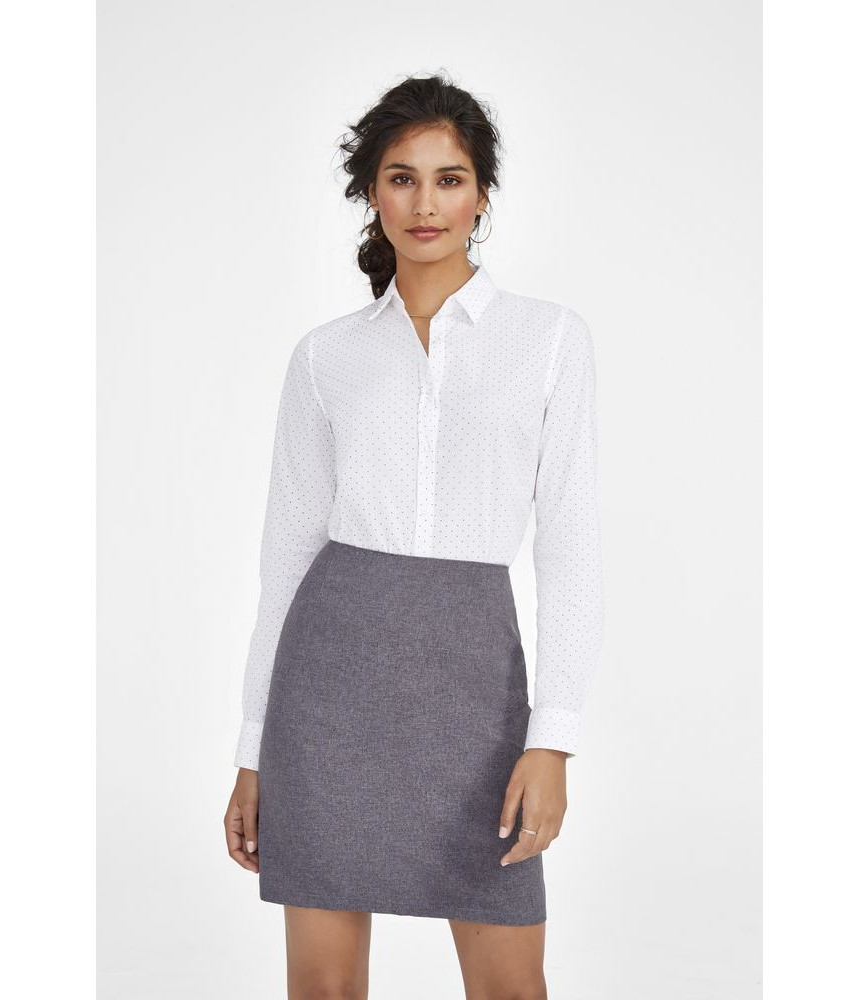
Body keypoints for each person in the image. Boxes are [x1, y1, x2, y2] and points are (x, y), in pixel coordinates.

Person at [223, 72, 604, 999]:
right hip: (327, 693)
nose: (425, 203)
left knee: (512, 986)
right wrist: (253, 750)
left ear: (482, 195)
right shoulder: (327, 356)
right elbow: (286, 558)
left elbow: (571, 550)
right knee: (322, 987)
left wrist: (553, 738)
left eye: (449, 179)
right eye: (402, 178)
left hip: (478, 696)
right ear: (372, 194)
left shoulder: (550, 340)